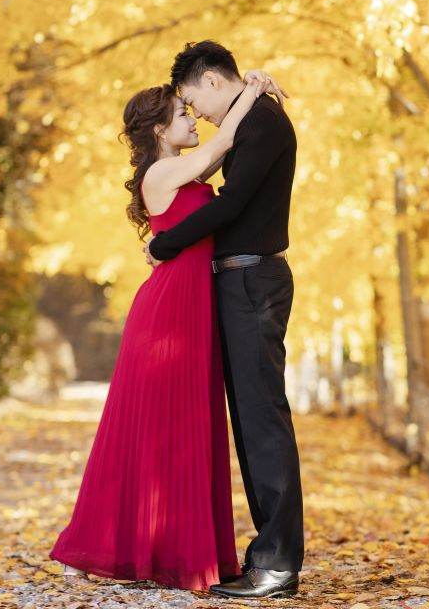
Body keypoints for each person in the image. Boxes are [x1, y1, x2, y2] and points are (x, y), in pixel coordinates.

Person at [49, 68, 283, 591]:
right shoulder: (162, 175)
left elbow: (231, 154)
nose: (193, 117)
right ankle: (117, 546)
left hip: (194, 308)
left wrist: (247, 98)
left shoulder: (187, 172)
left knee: (190, 431)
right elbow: (226, 138)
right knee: (152, 432)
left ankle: (182, 550)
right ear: (158, 130)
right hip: (167, 313)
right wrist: (252, 89)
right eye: (182, 113)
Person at [145, 40, 303, 600]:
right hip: (236, 282)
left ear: (213, 81)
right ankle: (268, 556)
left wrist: (165, 245)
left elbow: (231, 204)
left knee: (263, 422)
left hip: (253, 282)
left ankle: (279, 563)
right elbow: (219, 154)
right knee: (249, 424)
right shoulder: (251, 112)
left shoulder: (260, 121)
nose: (198, 114)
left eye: (193, 101)